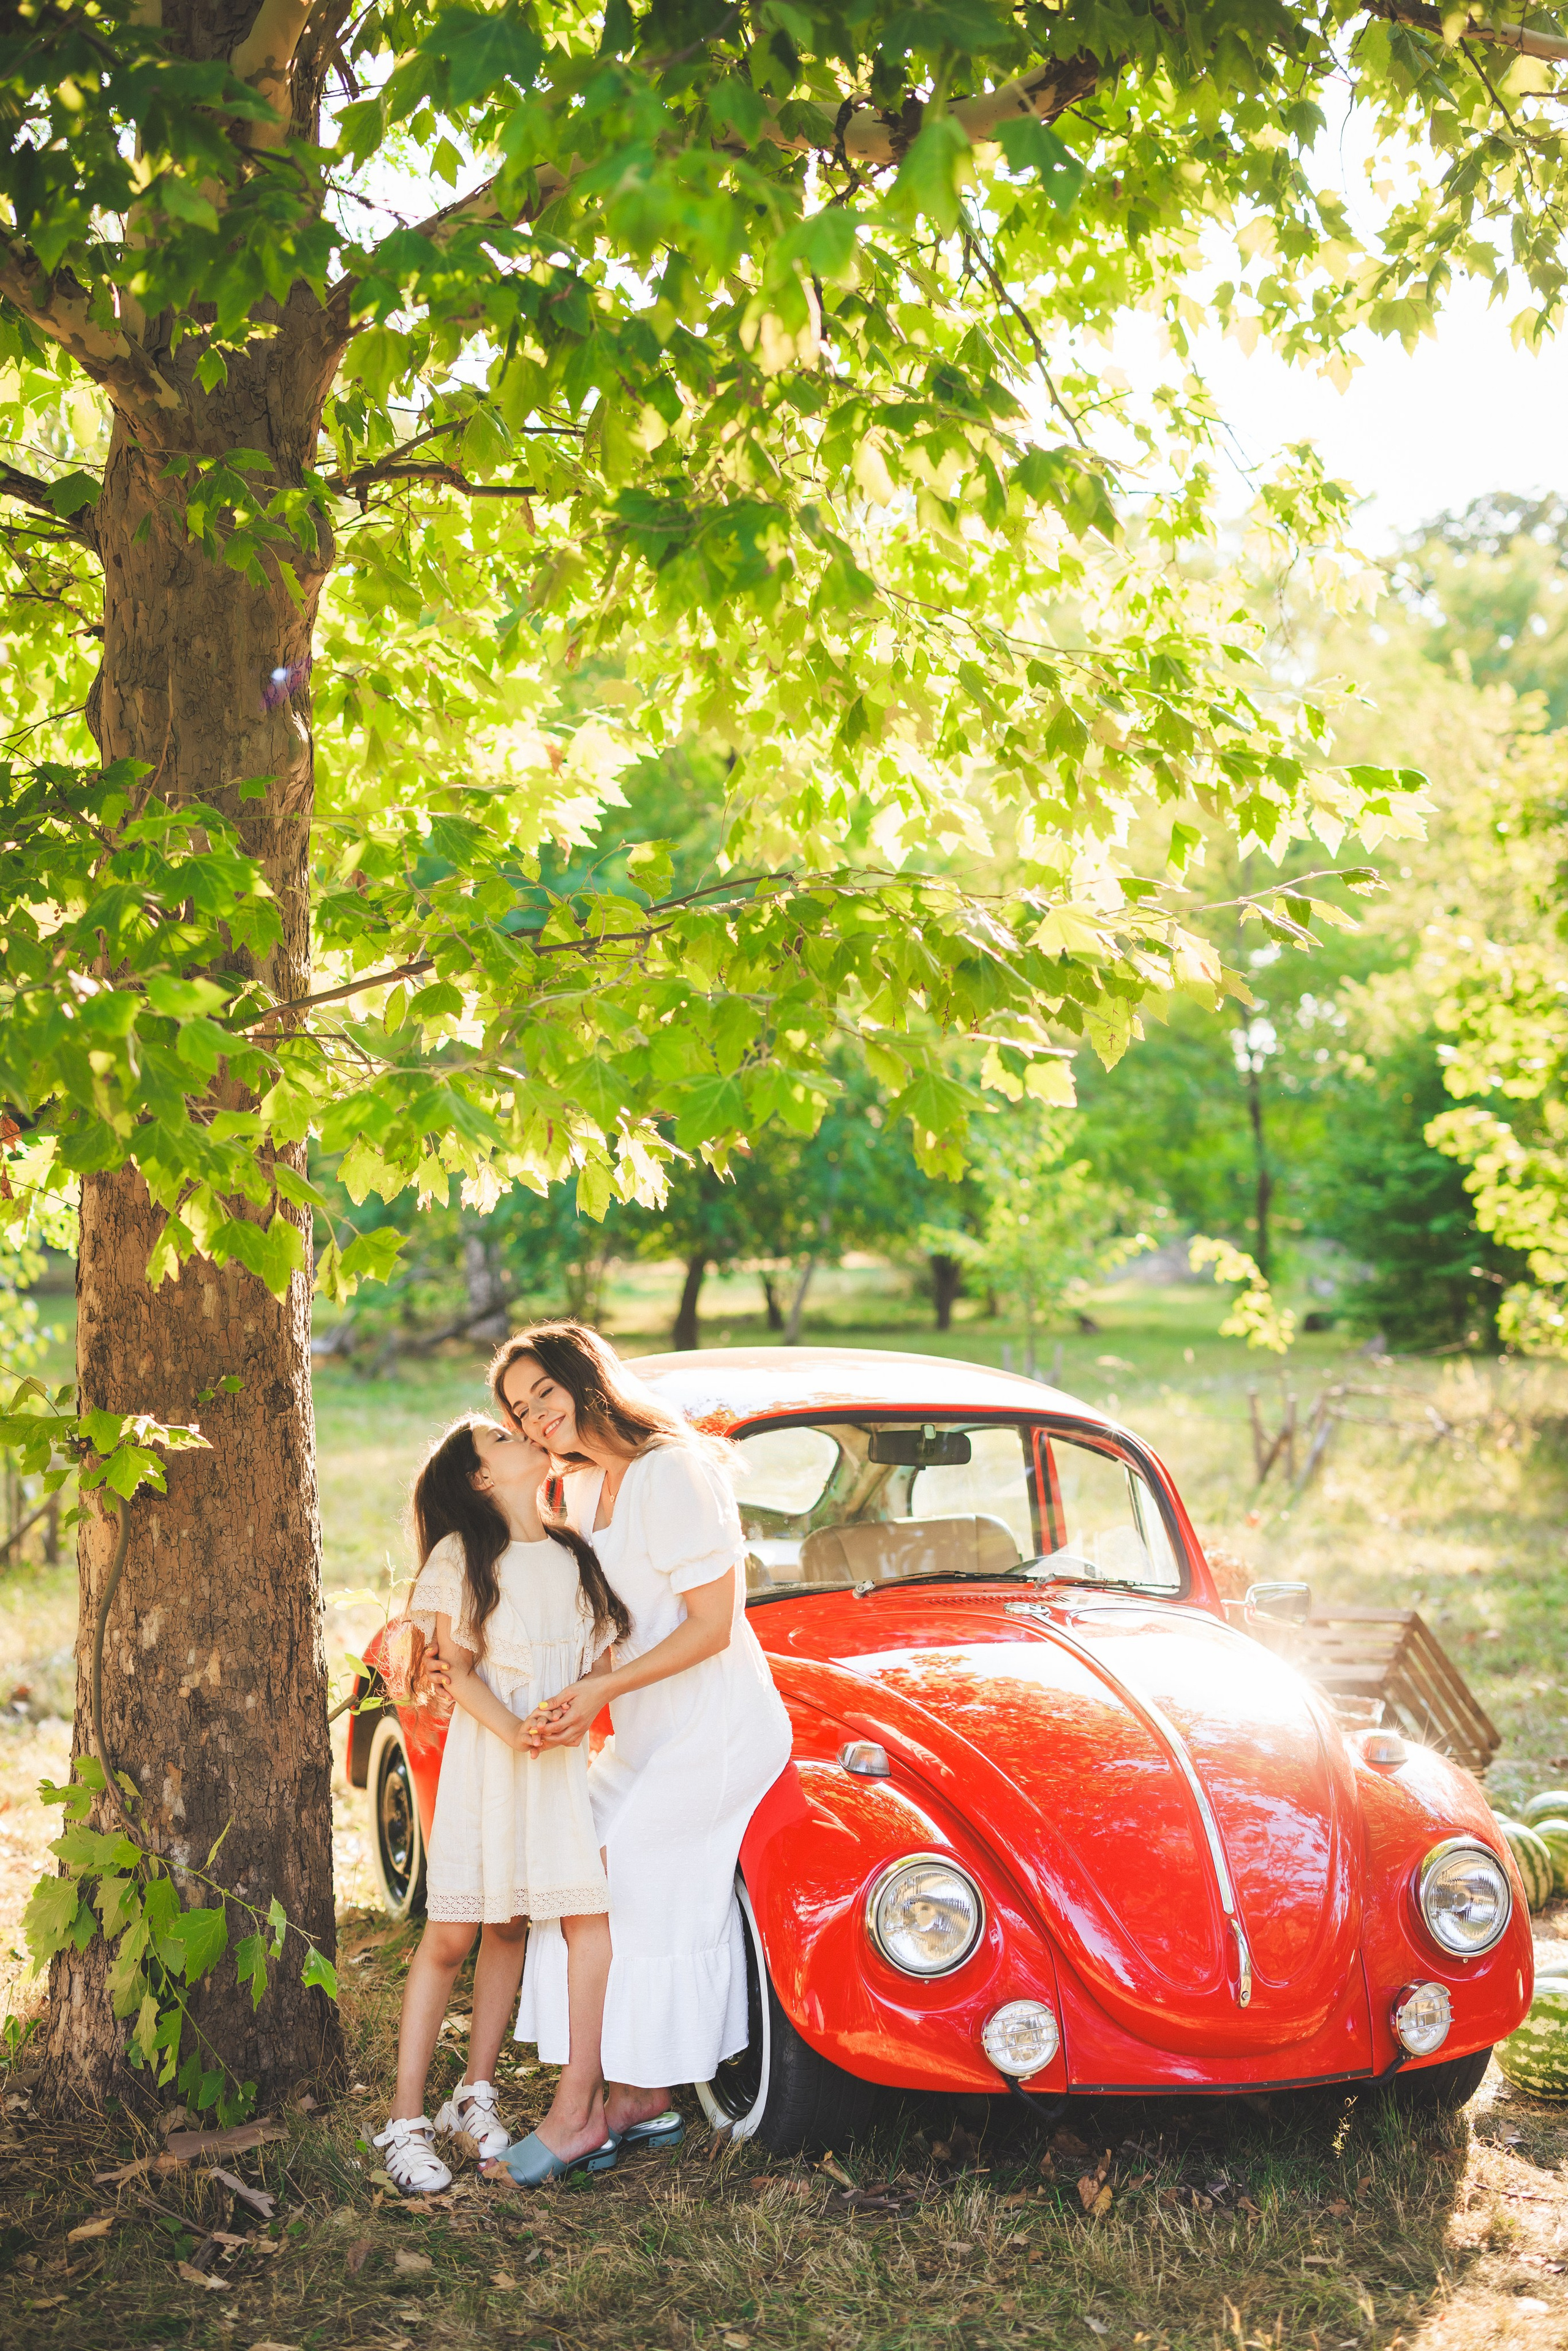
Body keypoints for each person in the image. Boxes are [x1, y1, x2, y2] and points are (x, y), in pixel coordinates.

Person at [492, 1321, 793, 2148]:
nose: (534, 1416)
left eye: (544, 1391)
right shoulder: (584, 1488)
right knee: (573, 1864)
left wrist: (603, 1689)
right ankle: (632, 2096)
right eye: (520, 1409)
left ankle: (591, 2109)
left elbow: (713, 1625)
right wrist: (561, 1694)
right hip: (646, 1730)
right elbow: (609, 1621)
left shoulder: (676, 1472)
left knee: (627, 1883)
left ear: (588, 1376)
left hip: (718, 1728)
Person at [372, 1414, 631, 2194]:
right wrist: (516, 1727)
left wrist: (568, 1714)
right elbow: (456, 1669)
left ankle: (473, 2091)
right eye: (504, 1438)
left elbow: (601, 1659)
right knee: (452, 1933)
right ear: (482, 1478)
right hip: (490, 1763)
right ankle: (404, 2118)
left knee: (510, 1925)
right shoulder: (464, 1557)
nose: (526, 1436)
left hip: (553, 1770)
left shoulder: (574, 1555)